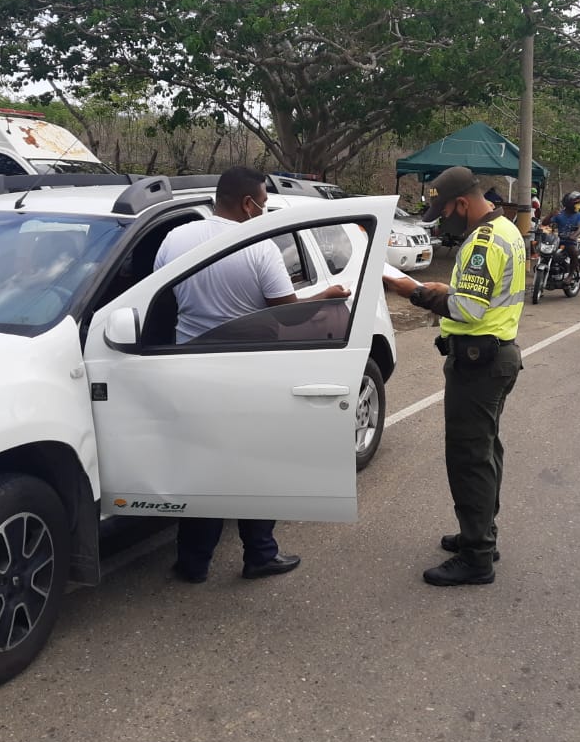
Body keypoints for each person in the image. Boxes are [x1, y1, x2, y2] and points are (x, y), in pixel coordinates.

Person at [153, 166, 349, 583]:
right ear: (248, 203)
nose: (265, 210)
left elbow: (161, 295)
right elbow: (287, 312)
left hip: (189, 366)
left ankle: (193, 563)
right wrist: (327, 296)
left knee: (202, 467)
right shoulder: (259, 247)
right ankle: (260, 554)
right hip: (249, 367)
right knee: (257, 464)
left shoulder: (175, 239)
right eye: (264, 202)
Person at [383, 166, 526, 586]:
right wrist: (446, 288)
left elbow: (469, 310)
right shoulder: (506, 228)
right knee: (485, 451)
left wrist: (414, 292)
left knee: (469, 459)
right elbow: (479, 293)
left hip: (480, 363)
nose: (442, 219)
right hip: (497, 357)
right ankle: (480, 534)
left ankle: (477, 556)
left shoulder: (482, 242)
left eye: (443, 211)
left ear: (461, 203)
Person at [541, 191, 580, 279]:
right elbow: (544, 223)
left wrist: (573, 236)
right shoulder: (559, 215)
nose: (578, 205)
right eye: (576, 204)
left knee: (573, 252)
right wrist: (550, 215)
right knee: (546, 253)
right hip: (558, 241)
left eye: (579, 203)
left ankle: (570, 275)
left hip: (570, 242)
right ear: (569, 204)